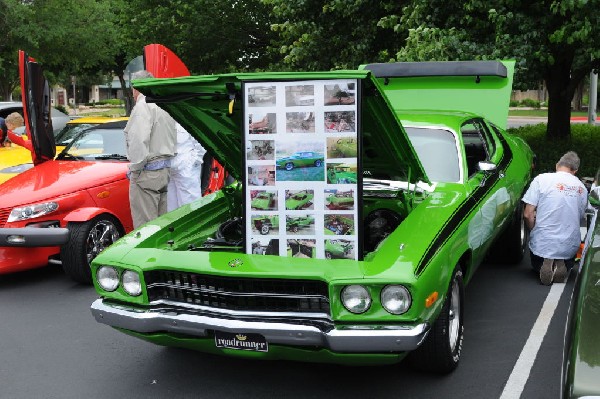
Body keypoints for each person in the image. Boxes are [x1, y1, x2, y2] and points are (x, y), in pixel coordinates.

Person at [522, 151, 588, 285]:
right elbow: (580, 217)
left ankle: (545, 262)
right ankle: (561, 262)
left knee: (539, 250)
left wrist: (533, 230)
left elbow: (527, 214)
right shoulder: (582, 188)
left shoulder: (541, 179)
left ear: (557, 165)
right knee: (566, 253)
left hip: (543, 244)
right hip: (569, 245)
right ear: (575, 171)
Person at [124, 70, 177, 229]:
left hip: (147, 172)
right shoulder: (162, 105)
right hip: (164, 169)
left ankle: (148, 255)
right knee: (159, 224)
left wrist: (135, 169)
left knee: (145, 227)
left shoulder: (143, 106)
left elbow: (139, 140)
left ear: (136, 87)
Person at [167, 123, 206, 212]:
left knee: (190, 209)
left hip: (186, 169)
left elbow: (201, 141)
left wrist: (194, 162)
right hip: (169, 169)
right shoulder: (165, 116)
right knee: (171, 210)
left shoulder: (186, 117)